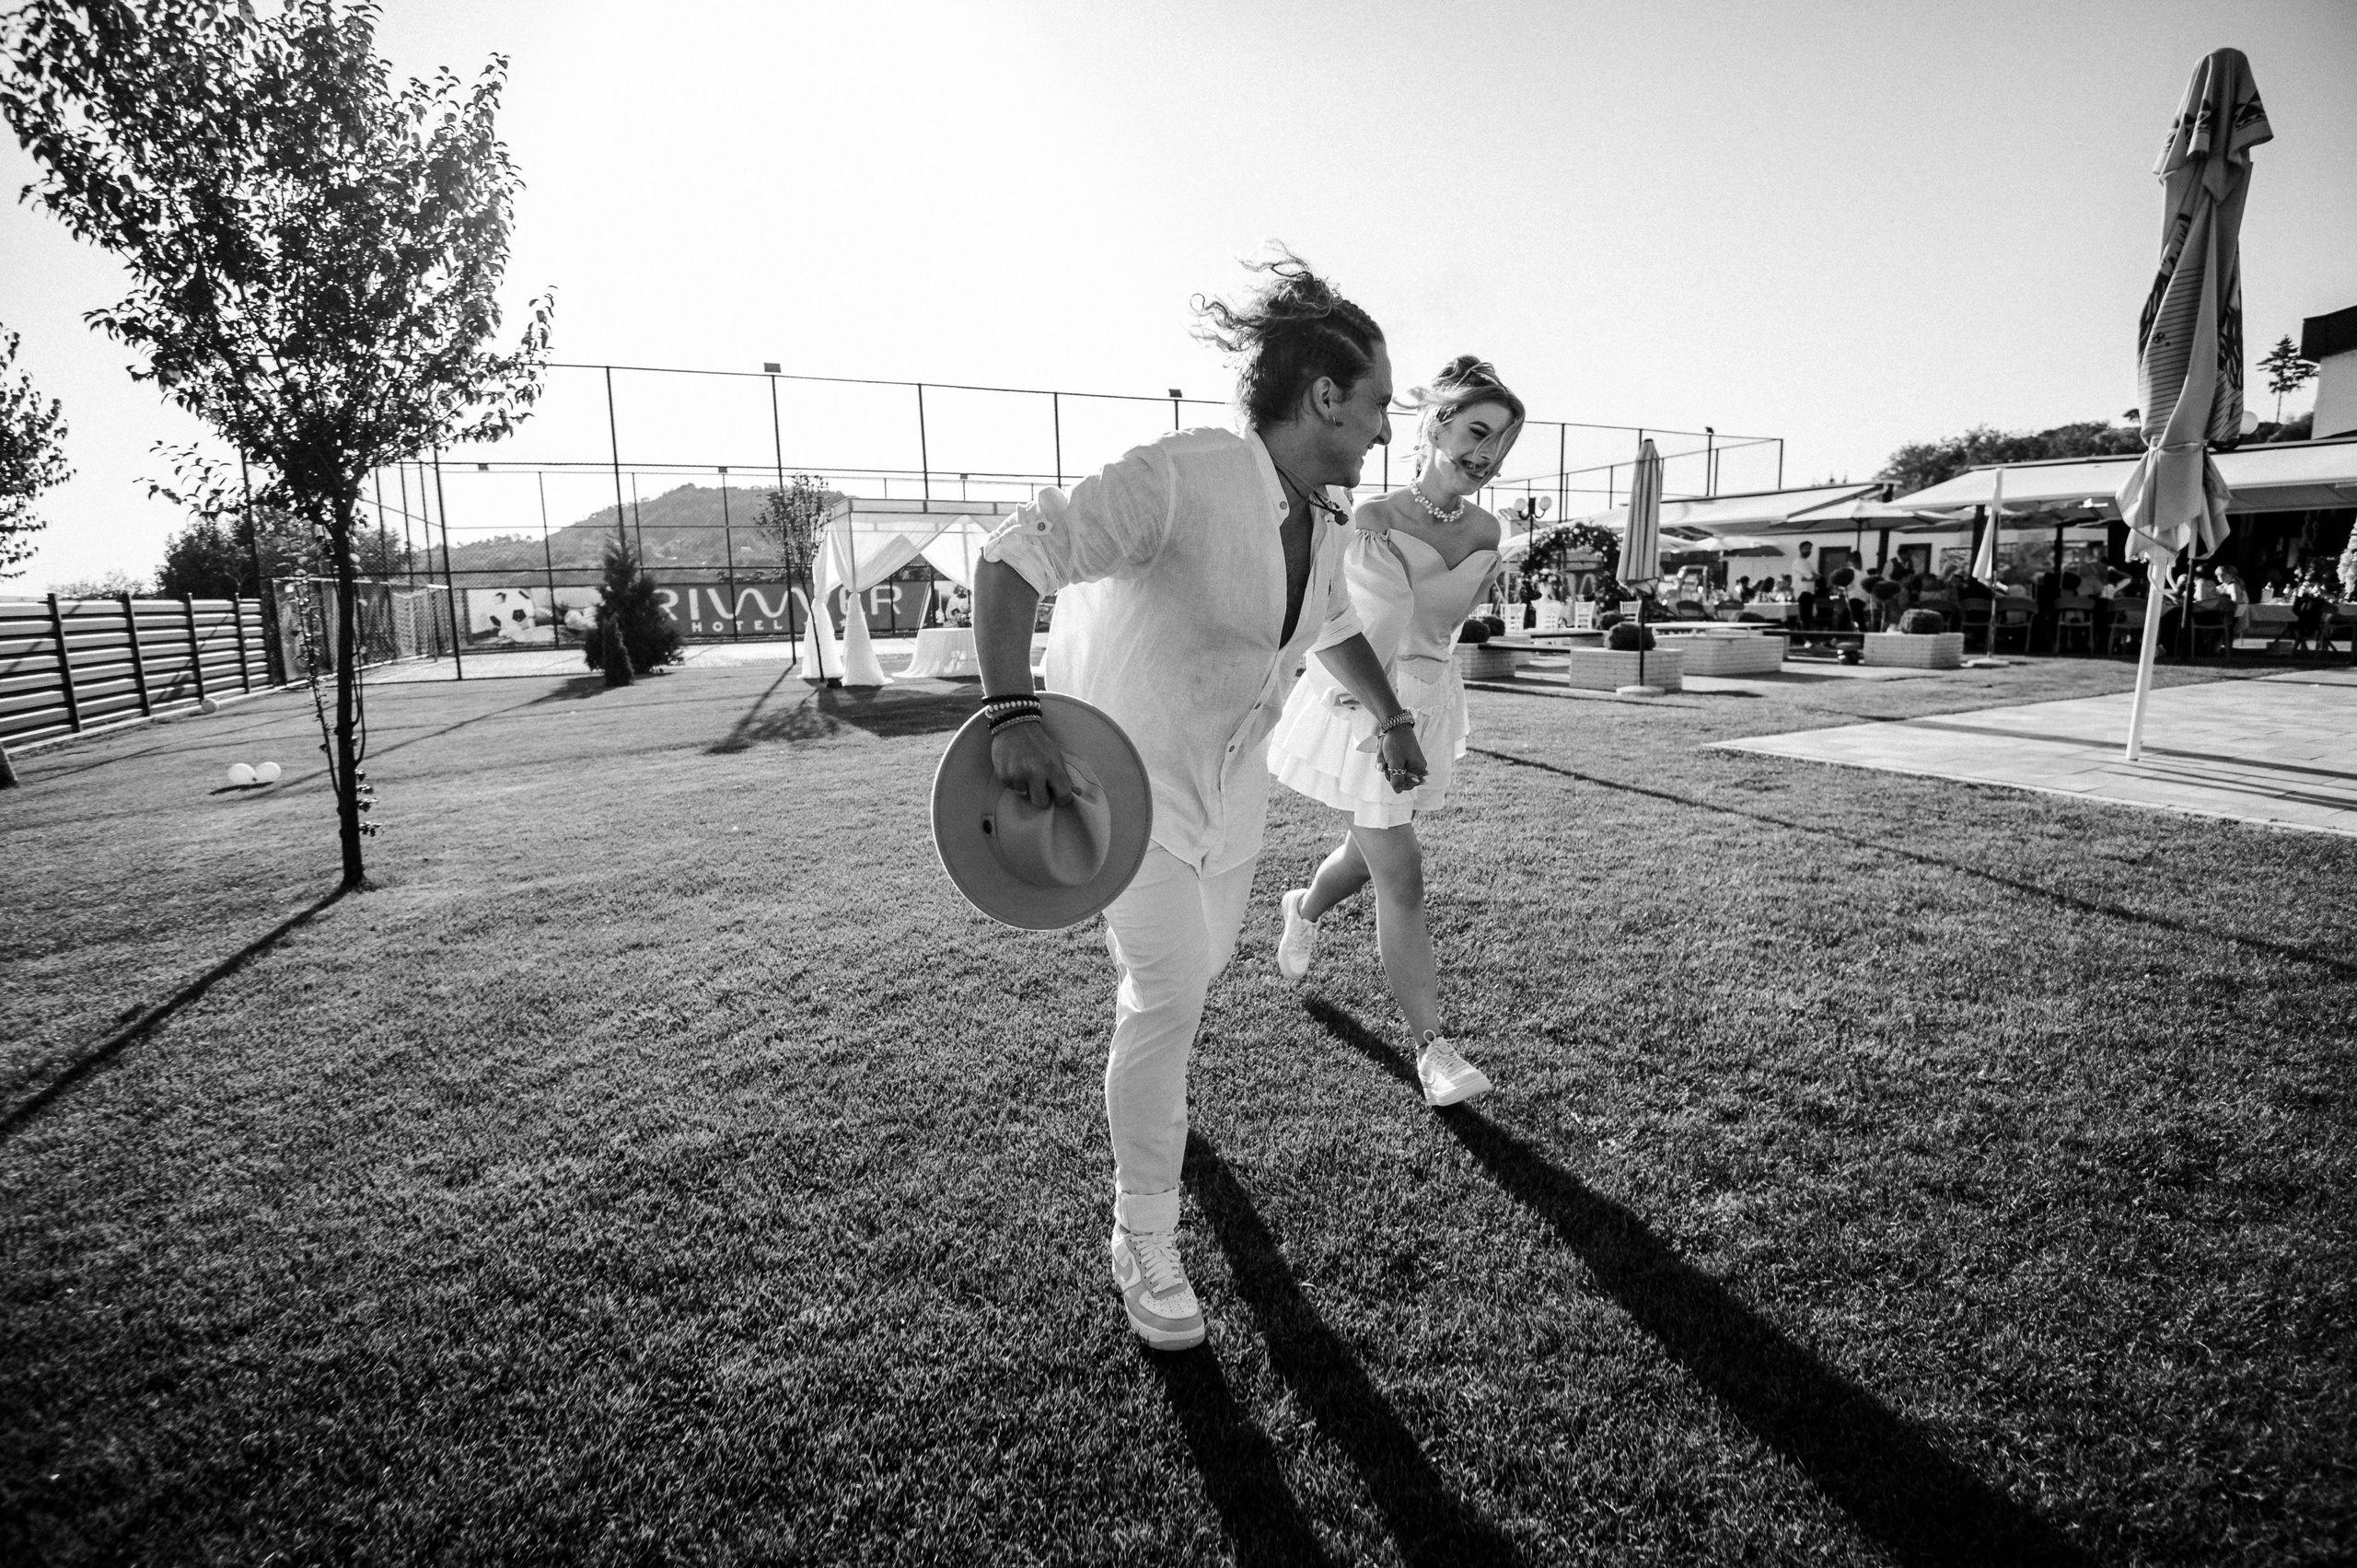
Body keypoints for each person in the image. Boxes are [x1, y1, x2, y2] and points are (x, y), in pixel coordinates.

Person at [971, 251, 1423, 1354]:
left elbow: (1330, 627)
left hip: (1231, 800)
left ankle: (1156, 1065)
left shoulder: (1323, 521)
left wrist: (1391, 716)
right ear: (1325, 395)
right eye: (1378, 404)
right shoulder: (1182, 474)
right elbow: (1012, 558)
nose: (1384, 428)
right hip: (1119, 792)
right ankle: (1143, 1236)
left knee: (1196, 969)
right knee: (1169, 992)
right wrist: (1008, 711)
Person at [1267, 356, 1521, 1109]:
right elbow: (1337, 629)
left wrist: (1423, 707)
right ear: (1436, 424)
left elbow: (1442, 630)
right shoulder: (1369, 518)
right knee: (1401, 870)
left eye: (1502, 443)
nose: (1487, 454)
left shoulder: (1489, 529)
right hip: (1366, 711)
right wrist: (1386, 720)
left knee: (1366, 854)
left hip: (1431, 707)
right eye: (1477, 431)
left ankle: (1302, 907)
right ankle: (1433, 1050)